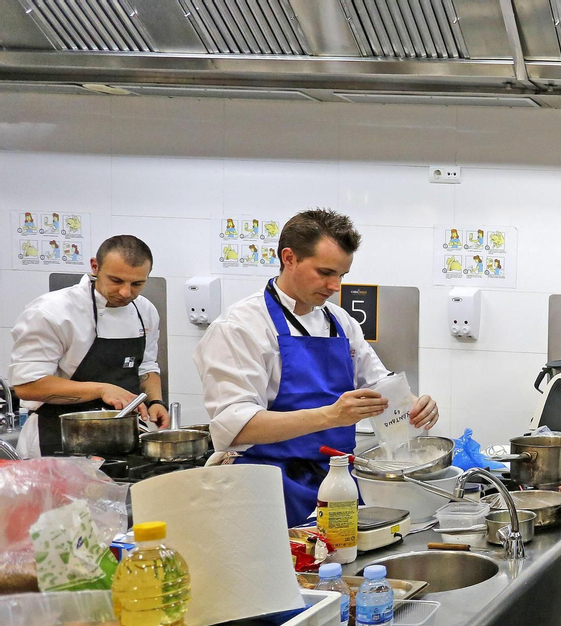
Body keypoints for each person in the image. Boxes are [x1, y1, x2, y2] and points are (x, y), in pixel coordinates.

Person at [194, 208, 437, 523]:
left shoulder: (340, 322)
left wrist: (416, 406)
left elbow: (382, 390)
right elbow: (237, 429)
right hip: (268, 489)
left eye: (342, 275)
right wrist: (331, 416)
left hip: (338, 484)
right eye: (325, 273)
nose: (335, 286)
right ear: (289, 258)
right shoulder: (240, 328)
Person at [9, 235, 167, 457]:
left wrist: (155, 401)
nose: (125, 292)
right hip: (57, 439)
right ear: (95, 266)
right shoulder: (52, 312)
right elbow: (28, 385)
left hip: (121, 438)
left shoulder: (145, 311)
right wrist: (102, 389)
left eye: (137, 284)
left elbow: (146, 366)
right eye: (116, 280)